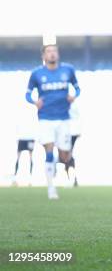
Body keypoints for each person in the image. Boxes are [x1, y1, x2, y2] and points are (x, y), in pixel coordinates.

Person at [26, 44, 80, 200]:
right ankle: (51, 188)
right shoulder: (36, 74)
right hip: (45, 118)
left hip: (64, 119)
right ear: (43, 56)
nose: (52, 54)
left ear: (58, 54)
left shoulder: (68, 70)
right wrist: (34, 102)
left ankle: (59, 163)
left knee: (64, 156)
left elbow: (78, 88)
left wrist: (74, 96)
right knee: (49, 152)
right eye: (48, 52)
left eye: (54, 51)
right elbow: (27, 94)